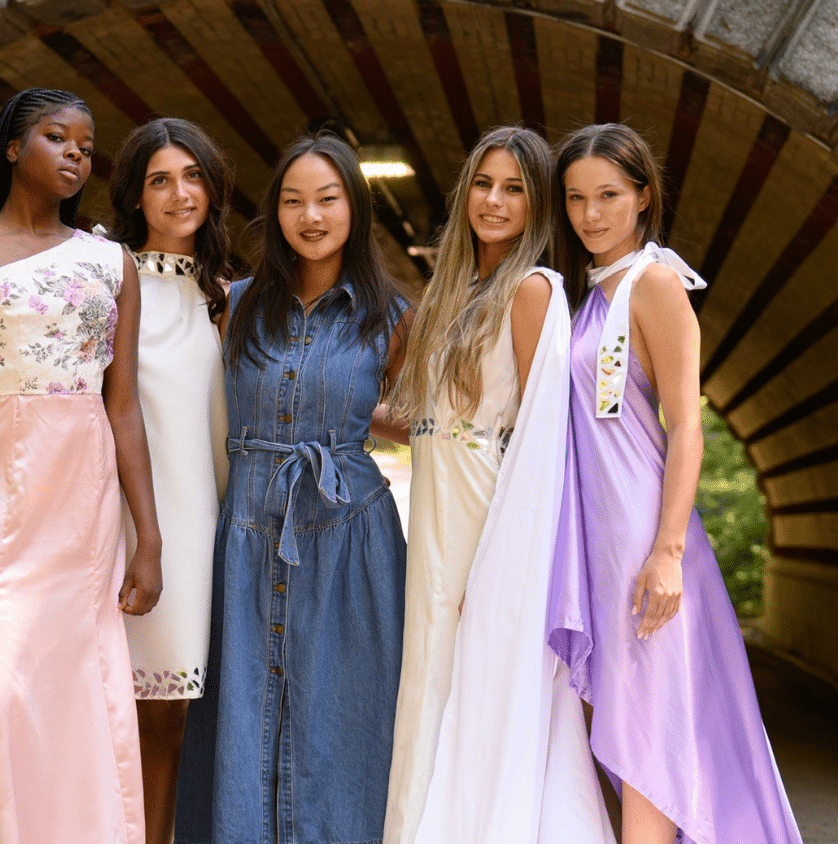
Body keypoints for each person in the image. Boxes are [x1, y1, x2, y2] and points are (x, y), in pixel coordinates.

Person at [0, 87, 162, 844]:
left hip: (80, 494)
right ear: (13, 146)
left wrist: (148, 539)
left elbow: (124, 405)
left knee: (77, 681)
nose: (76, 155)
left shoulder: (111, 262)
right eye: (58, 137)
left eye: (86, 146)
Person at [549, 122, 803, 844]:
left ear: (643, 196)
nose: (591, 214)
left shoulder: (655, 284)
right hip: (598, 535)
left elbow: (687, 425)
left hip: (642, 537)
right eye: (576, 198)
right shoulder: (592, 294)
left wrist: (666, 553)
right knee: (626, 731)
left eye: (607, 195)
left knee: (648, 739)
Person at [175, 133, 409, 844]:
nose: (311, 216)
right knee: (241, 715)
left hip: (352, 538)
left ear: (355, 208)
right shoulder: (232, 304)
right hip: (246, 532)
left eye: (328, 199)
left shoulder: (392, 317)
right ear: (274, 211)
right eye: (294, 200)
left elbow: (423, 422)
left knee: (345, 719)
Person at [384, 125, 613, 844]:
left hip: (491, 523)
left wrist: (500, 565)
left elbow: (543, 439)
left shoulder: (533, 290)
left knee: (479, 691)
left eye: (514, 188)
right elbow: (427, 422)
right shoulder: (452, 291)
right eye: (483, 184)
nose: (494, 200)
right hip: (438, 513)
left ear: (537, 203)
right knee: (431, 682)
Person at [103, 117, 231, 844]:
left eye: (192, 177)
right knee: (109, 717)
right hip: (119, 528)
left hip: (197, 530)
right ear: (135, 195)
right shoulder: (104, 277)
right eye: (160, 180)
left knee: (168, 723)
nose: (180, 194)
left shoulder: (223, 296)